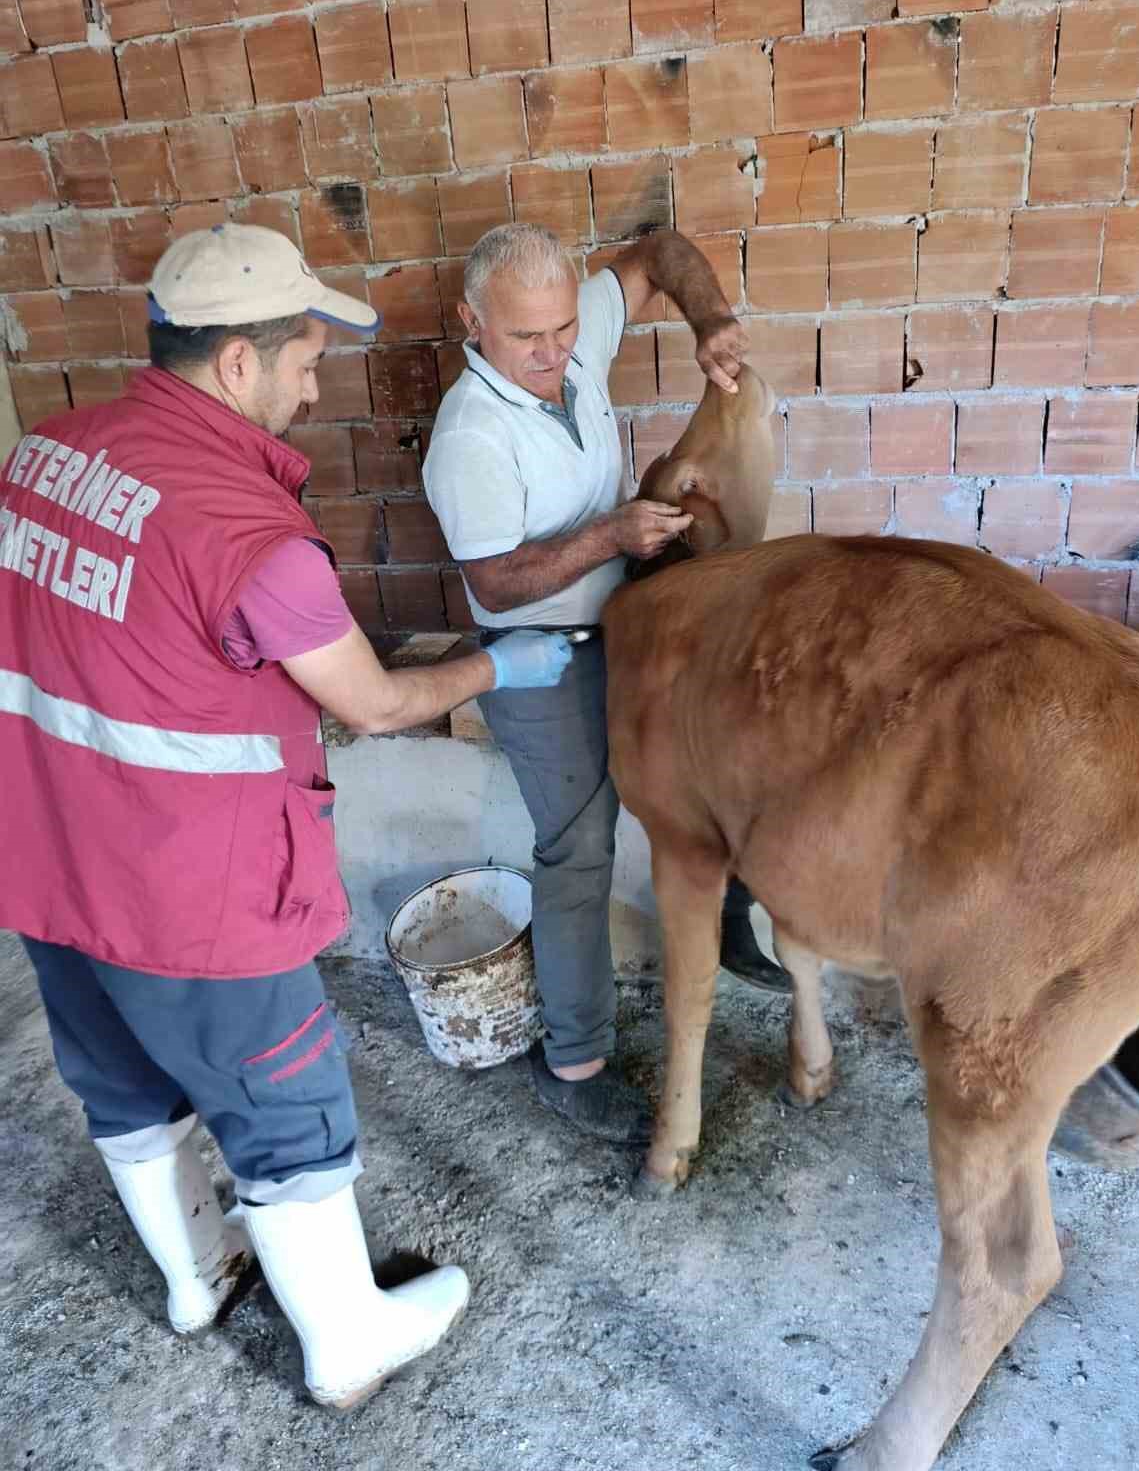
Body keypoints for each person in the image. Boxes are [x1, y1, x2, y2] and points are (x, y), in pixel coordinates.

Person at [0, 224, 570, 1408]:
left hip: (45, 860)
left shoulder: (46, 457)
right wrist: (495, 666)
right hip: (193, 892)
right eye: (304, 363)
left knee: (121, 1079)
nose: (313, 391)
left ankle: (197, 1276)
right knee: (284, 1104)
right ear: (236, 364)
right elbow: (371, 703)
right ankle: (349, 1341)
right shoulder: (250, 538)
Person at [422, 224, 790, 1150]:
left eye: (562, 330)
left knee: (720, 759)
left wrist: (710, 320)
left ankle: (728, 916)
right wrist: (610, 537)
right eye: (526, 338)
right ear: (472, 320)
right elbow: (495, 582)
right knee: (579, 847)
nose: (554, 353)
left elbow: (661, 252)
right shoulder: (469, 438)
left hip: (629, 617)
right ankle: (574, 1066)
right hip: (538, 652)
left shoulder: (569, 326)